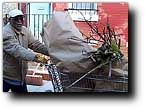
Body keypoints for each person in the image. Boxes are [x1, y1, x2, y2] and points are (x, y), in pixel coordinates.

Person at [3, 9, 49, 92]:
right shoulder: (5, 32)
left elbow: (35, 44)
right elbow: (17, 50)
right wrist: (37, 57)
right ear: (10, 20)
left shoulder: (25, 30)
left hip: (20, 77)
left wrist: (51, 52)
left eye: (21, 18)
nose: (19, 21)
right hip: (6, 76)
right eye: (16, 19)